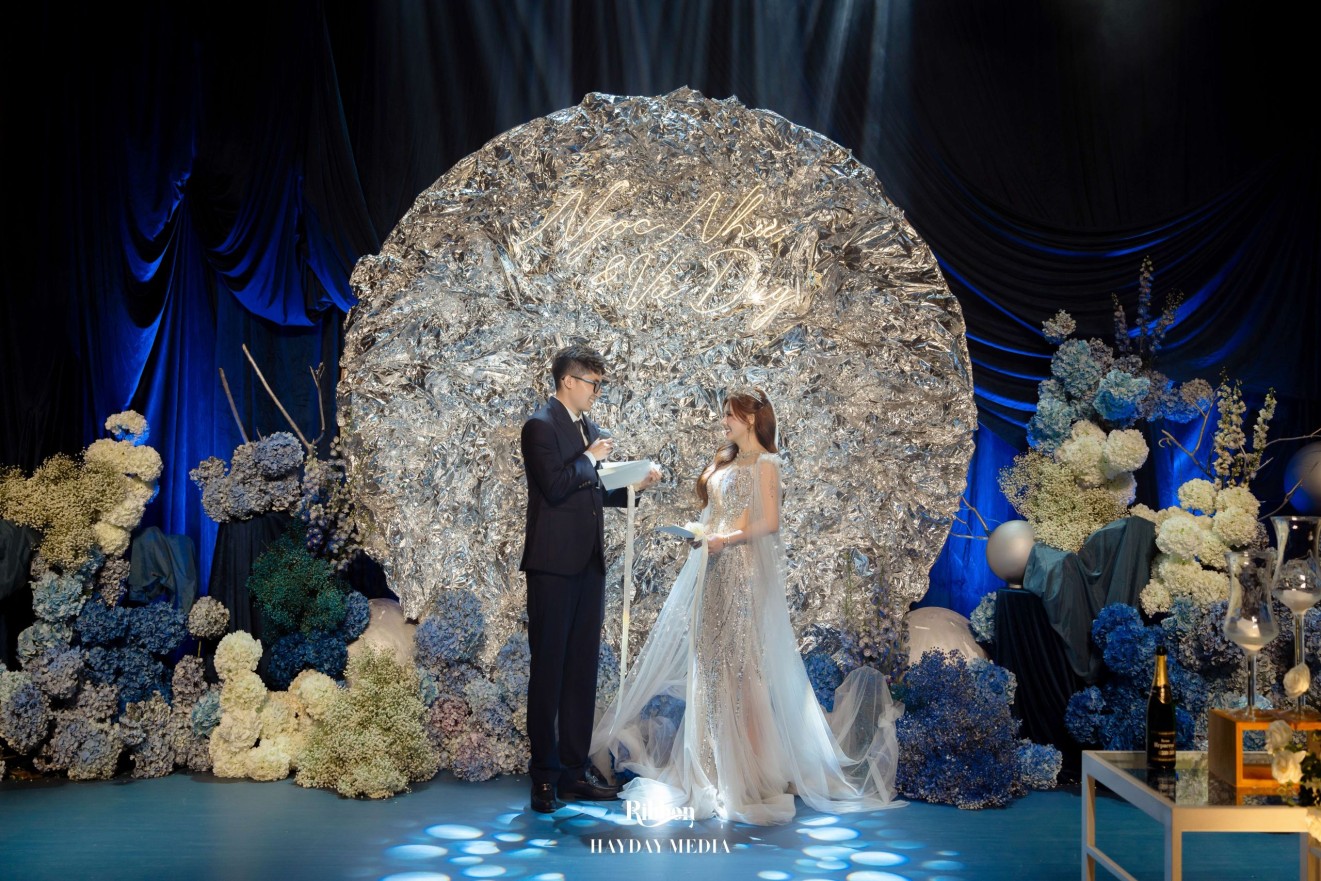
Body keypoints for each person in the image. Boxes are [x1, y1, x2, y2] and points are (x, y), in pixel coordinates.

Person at [590, 388, 903, 825]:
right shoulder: (725, 462)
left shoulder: (766, 464)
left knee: (741, 668)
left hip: (741, 571)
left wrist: (727, 538)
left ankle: (748, 772)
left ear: (751, 419)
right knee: (708, 664)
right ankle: (712, 765)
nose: (724, 422)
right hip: (713, 568)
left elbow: (769, 522)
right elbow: (718, 514)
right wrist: (702, 534)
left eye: (730, 415)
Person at [520, 344, 661, 813]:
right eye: (592, 383)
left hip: (588, 565)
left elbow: (593, 492)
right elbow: (556, 486)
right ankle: (543, 777)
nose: (596, 392)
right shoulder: (540, 426)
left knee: (581, 670)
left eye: (599, 384)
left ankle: (574, 772)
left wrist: (634, 485)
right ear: (568, 381)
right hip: (552, 566)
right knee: (549, 671)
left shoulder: (589, 430)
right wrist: (589, 456)